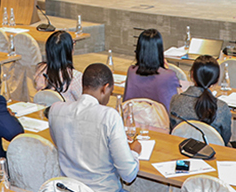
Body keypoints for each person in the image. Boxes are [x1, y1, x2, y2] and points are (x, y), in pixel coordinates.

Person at [49, 63, 141, 192]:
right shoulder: (109, 116)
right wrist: (134, 152)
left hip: (68, 188)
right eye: (110, 92)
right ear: (105, 88)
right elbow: (129, 175)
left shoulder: (56, 109)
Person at [169, 55, 232, 145]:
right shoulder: (221, 107)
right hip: (214, 153)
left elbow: (173, 130)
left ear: (191, 74)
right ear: (216, 80)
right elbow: (225, 140)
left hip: (181, 149)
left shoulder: (176, 100)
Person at [124, 29, 181, 112]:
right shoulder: (168, 76)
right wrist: (166, 69)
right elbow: (174, 107)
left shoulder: (131, 71)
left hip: (134, 122)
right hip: (161, 123)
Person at [34, 31, 83, 101]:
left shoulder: (40, 70)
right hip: (66, 111)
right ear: (70, 51)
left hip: (44, 110)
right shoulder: (75, 76)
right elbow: (84, 102)